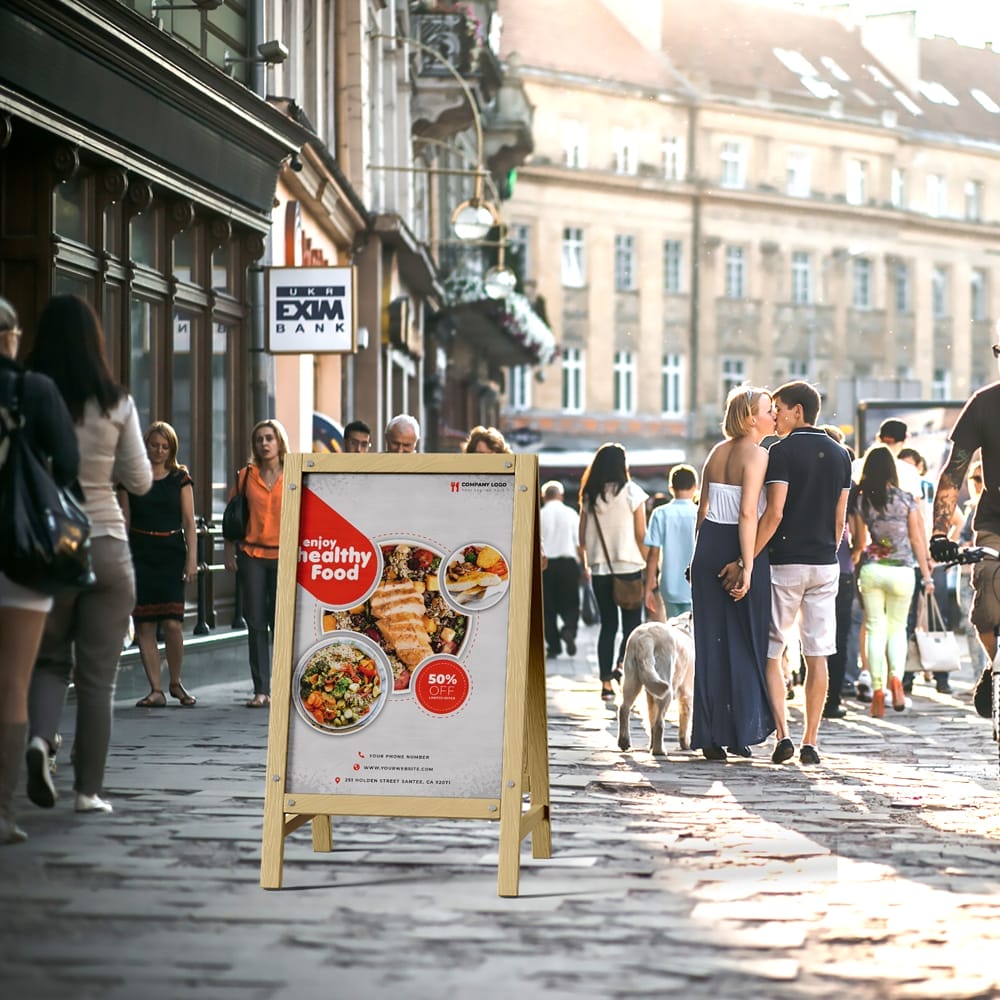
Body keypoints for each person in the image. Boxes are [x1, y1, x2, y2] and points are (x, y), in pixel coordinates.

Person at [25, 295, 153, 814]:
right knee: (99, 680)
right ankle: (87, 792)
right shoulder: (116, 402)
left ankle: (40, 741)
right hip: (105, 545)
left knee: (49, 661)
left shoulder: (30, 396)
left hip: (50, 546)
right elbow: (141, 480)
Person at [725, 381, 852, 766]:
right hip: (825, 564)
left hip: (785, 563)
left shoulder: (779, 452)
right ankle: (811, 740)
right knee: (817, 653)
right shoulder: (841, 454)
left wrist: (747, 558)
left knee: (774, 650)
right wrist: (827, 549)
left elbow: (775, 512)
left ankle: (783, 734)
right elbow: (840, 518)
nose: (776, 415)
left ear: (798, 411)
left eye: (779, 408)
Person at [0, 297, 79, 843]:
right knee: (12, 682)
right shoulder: (35, 390)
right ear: (11, 337)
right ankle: (1, 812)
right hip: (21, 551)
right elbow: (68, 466)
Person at [690, 387, 776, 761]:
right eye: (768, 410)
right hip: (736, 542)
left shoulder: (716, 452)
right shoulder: (757, 454)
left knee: (710, 645)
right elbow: (747, 513)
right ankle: (740, 731)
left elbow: (702, 510)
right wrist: (747, 564)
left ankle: (710, 735)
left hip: (708, 544)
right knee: (744, 642)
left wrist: (696, 555)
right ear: (751, 417)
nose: (774, 415)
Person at [929, 336, 1000, 719]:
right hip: (994, 524)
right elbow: (954, 470)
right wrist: (939, 533)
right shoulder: (985, 403)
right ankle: (995, 665)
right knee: (987, 601)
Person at [849, 446, 935, 718]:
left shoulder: (861, 500)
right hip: (902, 571)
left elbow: (860, 543)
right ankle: (896, 679)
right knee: (897, 629)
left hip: (873, 570)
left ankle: (877, 690)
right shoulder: (906, 499)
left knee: (874, 628)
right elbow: (917, 539)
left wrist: (857, 555)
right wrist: (927, 575)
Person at [121, 421, 198, 709]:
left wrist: (192, 559)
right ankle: (155, 689)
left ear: (172, 449)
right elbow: (124, 521)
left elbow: (189, 522)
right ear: (146, 445)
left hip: (171, 553)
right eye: (154, 445)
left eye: (165, 447)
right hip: (140, 553)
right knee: (145, 624)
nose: (159, 451)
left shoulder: (180, 478)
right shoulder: (131, 478)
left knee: (173, 623)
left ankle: (175, 682)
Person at [224, 419, 288, 708]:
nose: (264, 443)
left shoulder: (294, 473)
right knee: (256, 622)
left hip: (285, 556)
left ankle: (283, 687)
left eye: (269, 438)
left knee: (281, 623)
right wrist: (229, 551)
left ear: (279, 442)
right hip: (252, 556)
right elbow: (232, 516)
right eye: (259, 439)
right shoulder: (246, 475)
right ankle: (261, 690)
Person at [578, 443, 648, 703]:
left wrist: (589, 562)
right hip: (629, 567)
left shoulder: (589, 496)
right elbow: (641, 534)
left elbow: (581, 538)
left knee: (607, 625)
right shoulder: (632, 492)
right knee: (632, 625)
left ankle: (606, 684)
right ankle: (621, 664)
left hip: (600, 569)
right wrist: (650, 562)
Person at [821, 425, 856, 719]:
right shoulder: (849, 482)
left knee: (812, 635)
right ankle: (832, 700)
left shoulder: (807, 476)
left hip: (813, 562)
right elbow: (857, 532)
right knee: (839, 635)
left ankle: (814, 694)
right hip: (842, 567)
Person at [644, 464, 698, 621]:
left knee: (673, 627)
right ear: (695, 486)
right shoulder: (700, 513)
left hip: (669, 584)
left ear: (671, 487)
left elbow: (653, 554)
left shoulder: (660, 513)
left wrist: (648, 587)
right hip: (696, 583)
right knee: (694, 629)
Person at [540, 481, 582, 658]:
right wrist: (585, 566)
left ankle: (554, 646)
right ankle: (569, 630)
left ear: (543, 497)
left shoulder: (539, 515)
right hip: (568, 564)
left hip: (545, 566)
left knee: (547, 609)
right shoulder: (571, 513)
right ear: (561, 496)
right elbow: (579, 543)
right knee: (571, 603)